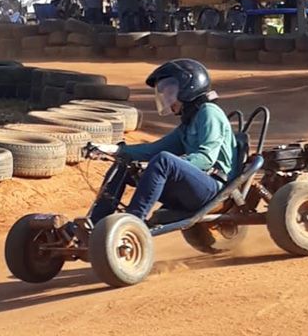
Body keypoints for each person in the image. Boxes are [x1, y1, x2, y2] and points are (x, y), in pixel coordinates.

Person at [88, 59, 239, 224]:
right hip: (194, 187)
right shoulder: (188, 124)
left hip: (214, 188)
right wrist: (116, 150)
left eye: (170, 92)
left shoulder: (209, 112)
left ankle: (133, 222)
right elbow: (154, 149)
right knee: (124, 163)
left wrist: (173, 164)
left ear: (188, 88)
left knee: (164, 160)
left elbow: (206, 159)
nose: (167, 98)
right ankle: (95, 222)